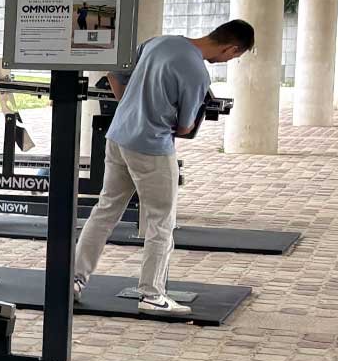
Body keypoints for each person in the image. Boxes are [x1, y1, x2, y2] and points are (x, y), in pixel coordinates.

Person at [72, 19, 255, 313]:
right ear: (231, 48)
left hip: (119, 136)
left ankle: (74, 282)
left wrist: (129, 109)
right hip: (152, 147)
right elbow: (183, 128)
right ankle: (151, 294)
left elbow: (114, 72)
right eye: (233, 57)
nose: (229, 60)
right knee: (161, 220)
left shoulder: (159, 41)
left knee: (105, 211)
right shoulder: (198, 73)